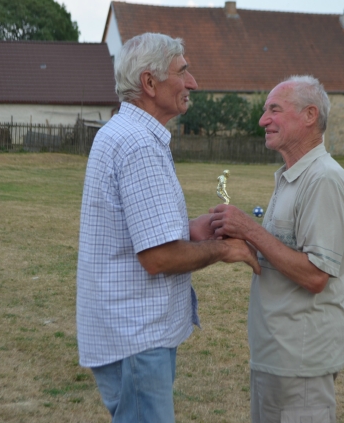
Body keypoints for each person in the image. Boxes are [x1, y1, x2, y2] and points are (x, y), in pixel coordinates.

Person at [76, 32, 260, 423]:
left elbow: (135, 232)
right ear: (149, 82)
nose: (193, 83)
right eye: (182, 72)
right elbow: (158, 257)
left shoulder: (124, 133)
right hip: (138, 337)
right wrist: (226, 249)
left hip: (126, 333)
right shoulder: (138, 144)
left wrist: (190, 228)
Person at [209, 75, 344, 423]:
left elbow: (316, 275)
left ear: (309, 115)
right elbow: (284, 255)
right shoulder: (293, 177)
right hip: (277, 354)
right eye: (265, 111)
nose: (263, 120)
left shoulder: (323, 179)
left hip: (301, 360)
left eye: (274, 110)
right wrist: (242, 243)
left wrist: (250, 230)